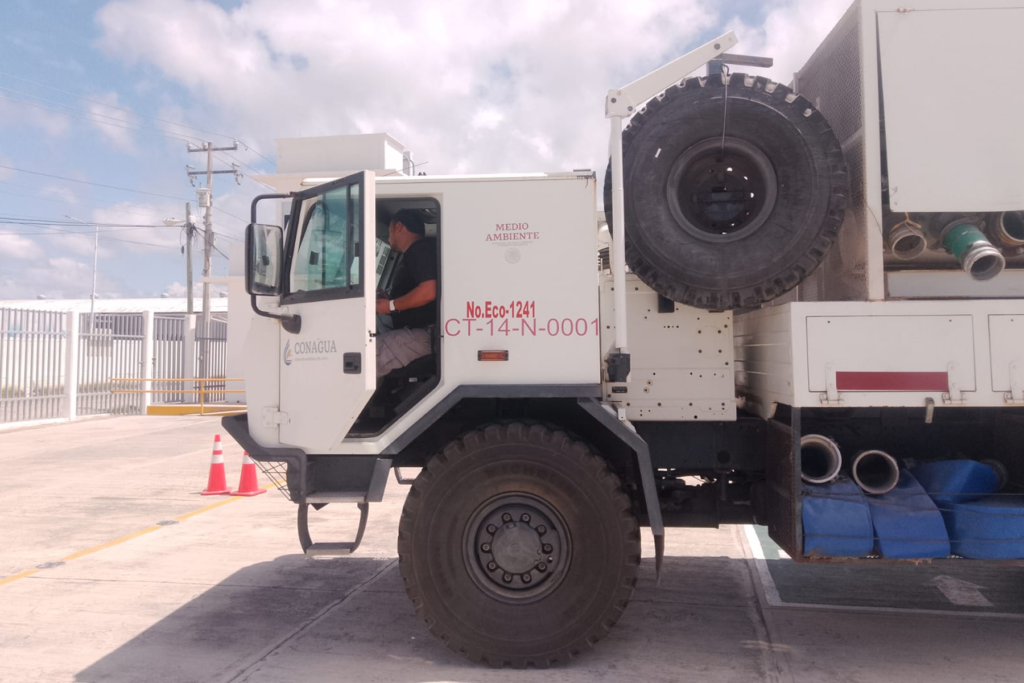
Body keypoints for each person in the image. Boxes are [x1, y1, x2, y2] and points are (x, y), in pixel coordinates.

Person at [375, 209, 437, 378]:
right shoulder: (416, 253)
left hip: (426, 333)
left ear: (399, 226)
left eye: (389, 231)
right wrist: (391, 300)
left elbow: (429, 291)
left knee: (364, 359)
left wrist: (391, 306)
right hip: (417, 328)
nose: (389, 237)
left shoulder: (421, 250)